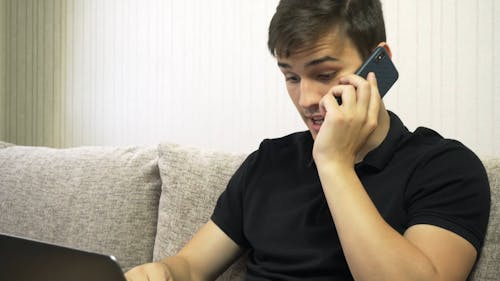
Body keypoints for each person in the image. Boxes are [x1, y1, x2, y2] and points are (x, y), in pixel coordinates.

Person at [125, 0, 491, 280]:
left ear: (379, 63)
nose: (306, 100)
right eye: (292, 77)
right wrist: (164, 272)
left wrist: (333, 163)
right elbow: (190, 266)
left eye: (325, 73)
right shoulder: (269, 161)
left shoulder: (445, 167)